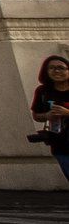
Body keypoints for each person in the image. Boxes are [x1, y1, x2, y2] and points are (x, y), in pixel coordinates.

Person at [33, 54, 69, 183]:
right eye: (52, 68)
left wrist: (67, 113)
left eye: (61, 68)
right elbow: (36, 115)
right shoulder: (43, 91)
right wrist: (47, 116)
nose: (56, 71)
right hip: (60, 142)